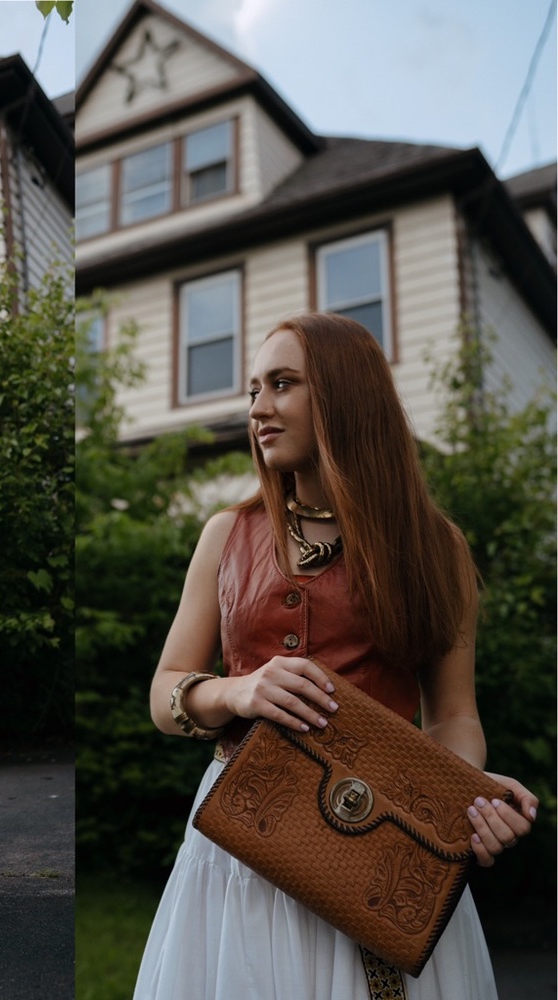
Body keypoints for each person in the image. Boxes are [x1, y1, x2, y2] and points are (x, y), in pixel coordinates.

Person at [134, 313, 538, 999]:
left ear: (345, 394)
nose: (258, 409)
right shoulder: (226, 534)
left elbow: (453, 715)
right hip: (243, 838)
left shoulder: (435, 547)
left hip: (384, 842)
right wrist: (236, 691)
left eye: (282, 384)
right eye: (254, 389)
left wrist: (461, 799)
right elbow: (164, 693)